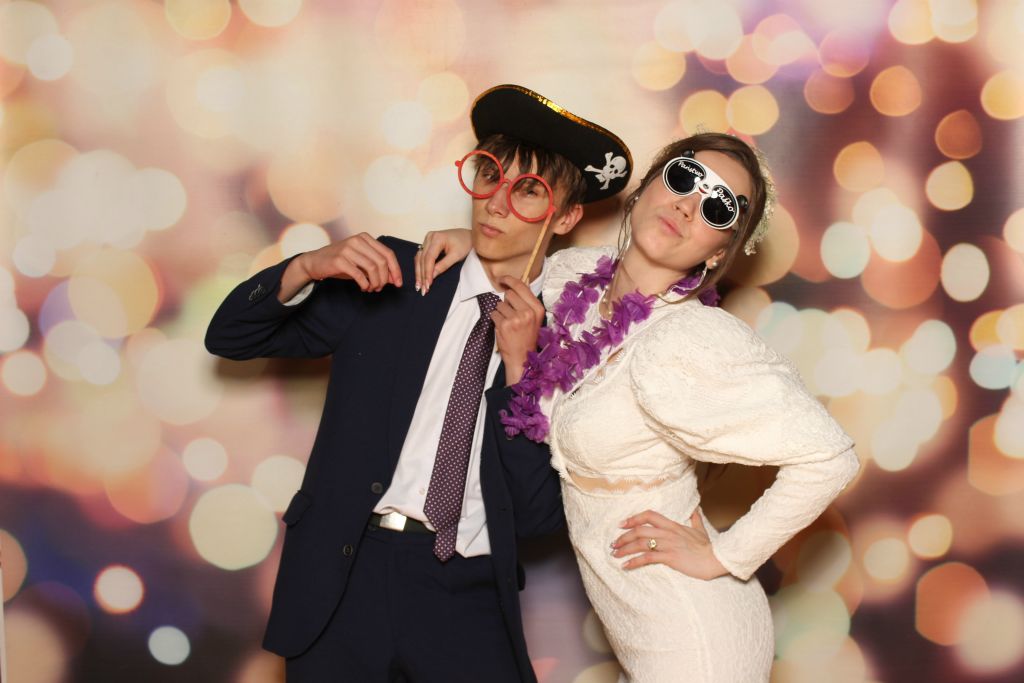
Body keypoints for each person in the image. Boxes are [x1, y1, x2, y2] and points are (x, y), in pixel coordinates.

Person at [204, 84, 633, 682]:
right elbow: (230, 336)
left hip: (468, 594)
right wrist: (304, 266)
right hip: (346, 577)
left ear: (565, 217)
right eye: (490, 175)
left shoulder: (571, 343)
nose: (496, 203)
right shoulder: (394, 278)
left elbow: (536, 519)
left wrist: (520, 373)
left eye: (528, 190)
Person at [418, 132, 861, 682]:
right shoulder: (579, 279)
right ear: (646, 189)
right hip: (638, 632)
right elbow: (531, 267)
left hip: (692, 638)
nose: (689, 205)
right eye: (683, 178)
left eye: (718, 207)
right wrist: (474, 242)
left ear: (717, 252)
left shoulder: (690, 340)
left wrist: (723, 557)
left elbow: (830, 456)